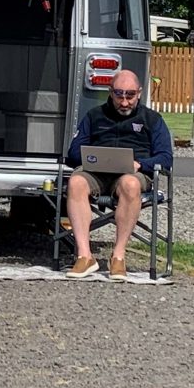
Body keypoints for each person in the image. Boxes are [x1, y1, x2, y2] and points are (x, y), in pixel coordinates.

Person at [64, 69, 172, 280]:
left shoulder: (152, 119)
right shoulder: (94, 116)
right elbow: (73, 153)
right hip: (96, 173)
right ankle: (85, 256)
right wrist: (92, 157)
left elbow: (166, 158)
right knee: (76, 182)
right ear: (110, 92)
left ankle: (119, 256)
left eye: (130, 96)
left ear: (139, 93)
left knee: (130, 184)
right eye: (119, 95)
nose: (124, 102)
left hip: (133, 173)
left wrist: (140, 164)